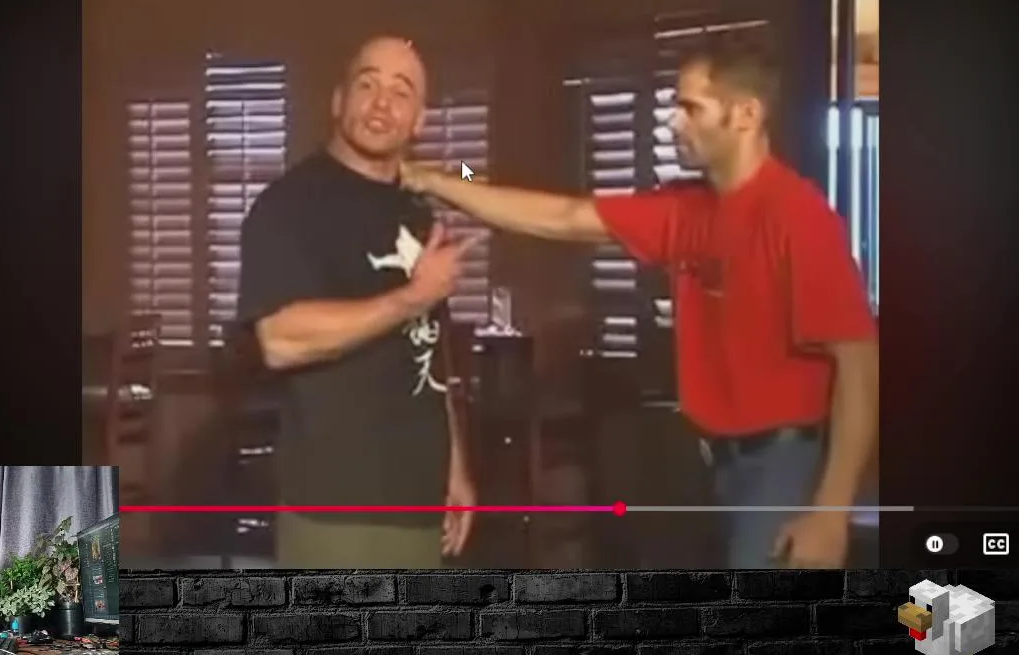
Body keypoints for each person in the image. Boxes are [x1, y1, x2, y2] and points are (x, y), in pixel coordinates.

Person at [400, 33, 878, 569]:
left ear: (746, 115)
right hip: (706, 458)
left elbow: (860, 368)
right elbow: (565, 217)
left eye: (691, 108)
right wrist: (431, 180)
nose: (674, 123)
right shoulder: (685, 209)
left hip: (781, 465)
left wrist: (831, 512)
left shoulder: (799, 218)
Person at [236, 35, 481, 568]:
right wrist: (413, 295)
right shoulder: (288, 205)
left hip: (420, 501)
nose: (381, 103)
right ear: (338, 101)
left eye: (401, 91)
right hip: (337, 506)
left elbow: (431, 352)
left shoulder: (419, 210)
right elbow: (280, 341)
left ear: (419, 121)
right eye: (367, 85)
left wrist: (454, 467)